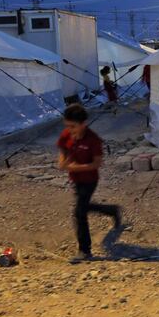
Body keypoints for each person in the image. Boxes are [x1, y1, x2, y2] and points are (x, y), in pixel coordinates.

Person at [56, 103, 124, 263]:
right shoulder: (66, 135)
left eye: (73, 126)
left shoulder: (93, 140)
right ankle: (112, 210)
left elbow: (96, 163)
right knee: (84, 207)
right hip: (76, 180)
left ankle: (84, 250)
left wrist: (73, 167)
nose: (70, 130)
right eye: (68, 126)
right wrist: (63, 162)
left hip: (89, 180)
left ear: (83, 124)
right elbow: (62, 151)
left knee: (79, 213)